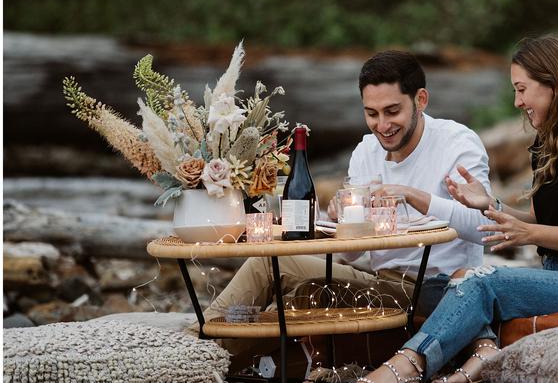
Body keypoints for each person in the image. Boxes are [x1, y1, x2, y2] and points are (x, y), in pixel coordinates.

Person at [335, 34, 558, 383]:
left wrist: (531, 236)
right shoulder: (551, 142)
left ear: (554, 84)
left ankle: (406, 368)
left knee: (481, 280)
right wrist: (491, 206)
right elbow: (544, 220)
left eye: (522, 89)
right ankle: (478, 356)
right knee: (470, 275)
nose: (517, 102)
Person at [193, 50, 493, 344]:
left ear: (421, 100)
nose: (382, 126)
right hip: (381, 281)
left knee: (300, 294)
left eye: (392, 111)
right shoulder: (366, 151)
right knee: (268, 265)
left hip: (439, 290)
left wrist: (417, 197)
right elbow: (351, 254)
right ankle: (202, 342)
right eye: (371, 114)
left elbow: (485, 228)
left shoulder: (457, 144)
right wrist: (339, 220)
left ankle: (199, 347)